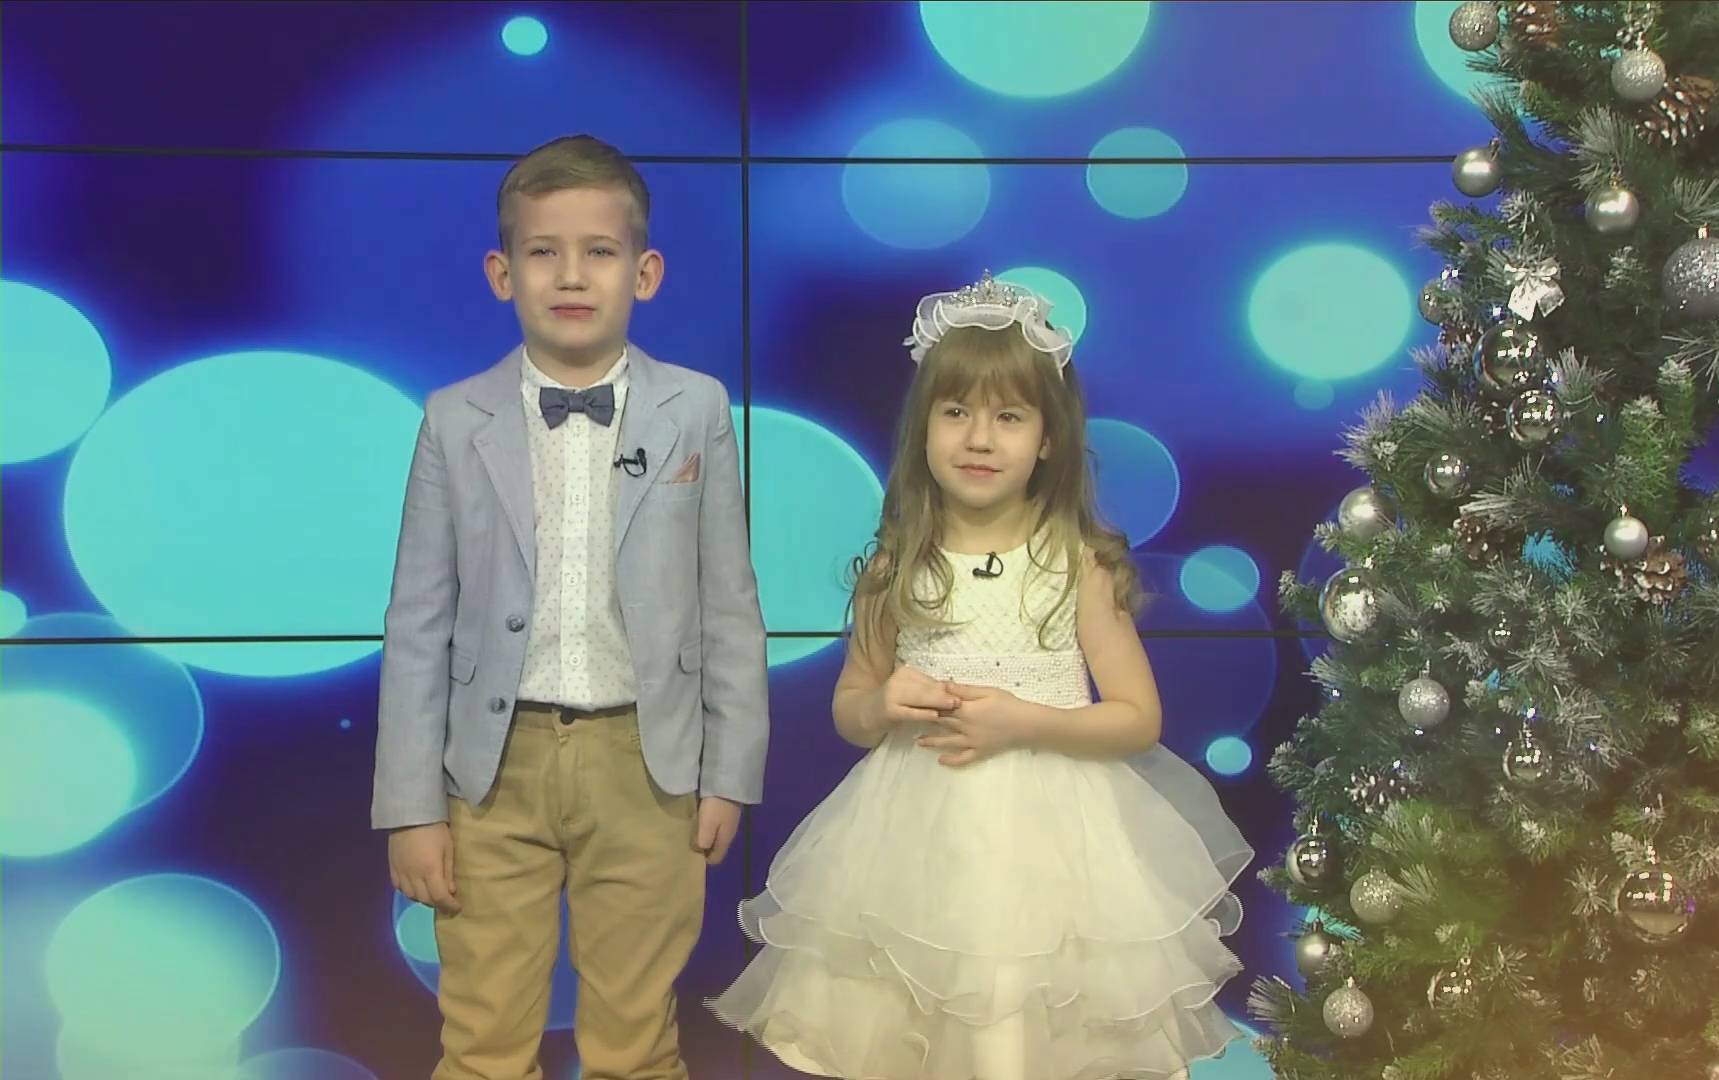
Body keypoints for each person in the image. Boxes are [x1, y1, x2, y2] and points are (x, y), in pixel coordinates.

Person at [710, 273, 1249, 1079]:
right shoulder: (897, 565)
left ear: (1049, 439)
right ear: (923, 429)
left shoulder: (1076, 563)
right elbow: (851, 710)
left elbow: (1138, 716)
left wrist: (1027, 721)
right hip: (918, 844)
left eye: (1009, 417)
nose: (980, 439)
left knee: (1028, 1028)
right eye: (956, 412)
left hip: (1056, 845)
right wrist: (883, 702)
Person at [372, 133, 769, 1080]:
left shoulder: (696, 408)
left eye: (600, 251)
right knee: (483, 1040)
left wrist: (730, 774)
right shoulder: (454, 417)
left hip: (649, 766)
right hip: (489, 770)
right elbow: (417, 622)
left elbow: (729, 604)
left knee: (636, 1039)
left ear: (646, 272)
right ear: (502, 273)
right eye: (544, 252)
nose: (573, 275)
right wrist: (410, 807)